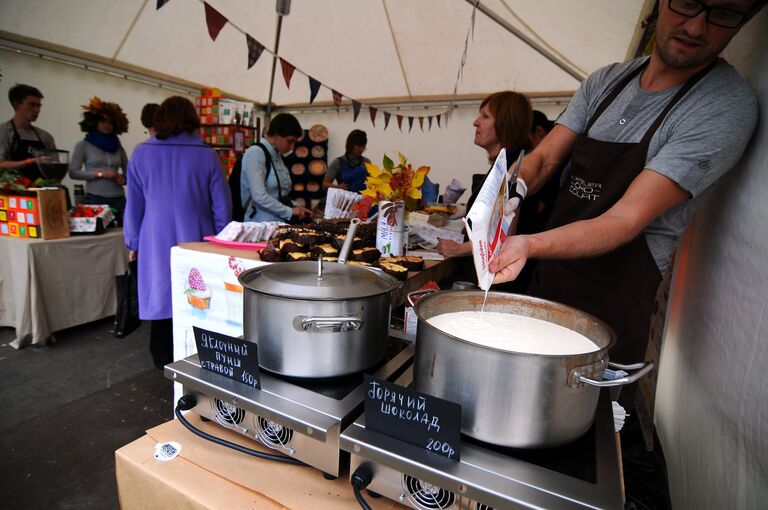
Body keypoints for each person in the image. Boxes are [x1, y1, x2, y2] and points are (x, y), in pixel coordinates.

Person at [490, 0, 764, 393]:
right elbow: (545, 158)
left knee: (580, 416)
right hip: (548, 283)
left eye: (722, 13)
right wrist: (512, 189)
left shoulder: (722, 107)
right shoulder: (606, 82)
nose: (696, 27)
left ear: (744, 20)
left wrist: (529, 244)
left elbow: (625, 220)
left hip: (611, 308)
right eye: (687, 4)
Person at [124, 96, 231, 369]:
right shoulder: (207, 155)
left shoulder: (141, 153)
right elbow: (222, 205)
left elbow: (134, 204)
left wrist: (133, 241)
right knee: (198, 299)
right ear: (192, 119)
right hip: (198, 239)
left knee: (162, 296)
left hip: (153, 238)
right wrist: (222, 241)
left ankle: (163, 360)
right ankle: (197, 360)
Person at [437, 91, 532, 262]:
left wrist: (458, 249)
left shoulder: (515, 169)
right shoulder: (506, 163)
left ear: (506, 123)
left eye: (485, 116)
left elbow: (503, 236)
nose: (475, 122)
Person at [240, 113, 311, 223]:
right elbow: (259, 196)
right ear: (276, 135)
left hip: (277, 223)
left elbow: (280, 195)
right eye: (289, 141)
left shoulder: (276, 155)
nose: (292, 148)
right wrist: (290, 211)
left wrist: (296, 207)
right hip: (259, 225)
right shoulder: (256, 153)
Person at [68, 97, 129, 224]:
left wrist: (123, 179)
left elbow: (129, 172)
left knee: (122, 232)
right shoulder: (83, 145)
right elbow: (73, 172)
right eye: (103, 121)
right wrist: (100, 174)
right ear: (94, 122)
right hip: (95, 198)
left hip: (119, 198)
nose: (107, 125)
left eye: (110, 123)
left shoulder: (118, 147)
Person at [0, 84, 56, 181]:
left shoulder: (45, 136)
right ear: (16, 105)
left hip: (42, 187)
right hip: (13, 188)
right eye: (32, 105)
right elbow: (1, 164)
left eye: (39, 106)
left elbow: (54, 165)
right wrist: (30, 161)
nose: (37, 110)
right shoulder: (4, 132)